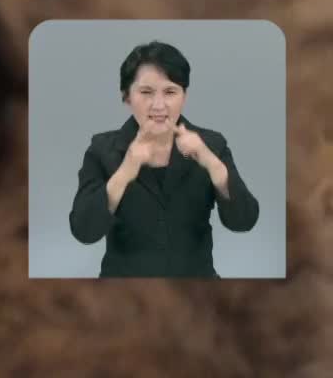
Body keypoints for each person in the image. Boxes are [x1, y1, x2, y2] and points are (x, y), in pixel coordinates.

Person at [68, 41, 259, 278]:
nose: (159, 105)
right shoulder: (102, 150)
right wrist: (125, 171)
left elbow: (244, 221)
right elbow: (84, 232)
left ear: (184, 96)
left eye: (170, 92)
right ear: (126, 96)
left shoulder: (212, 145)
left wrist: (212, 164)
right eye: (146, 92)